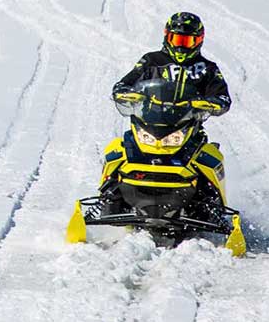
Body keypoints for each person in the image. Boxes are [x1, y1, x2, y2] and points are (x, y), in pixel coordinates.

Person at [99, 11, 231, 214]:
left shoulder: (207, 69)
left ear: (198, 41)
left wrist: (210, 103)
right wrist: (125, 92)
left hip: (186, 129)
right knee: (116, 151)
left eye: (187, 41)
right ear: (167, 37)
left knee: (209, 158)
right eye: (176, 39)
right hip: (149, 123)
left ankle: (215, 210)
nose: (180, 45)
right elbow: (126, 82)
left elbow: (222, 96)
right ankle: (106, 200)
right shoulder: (151, 61)